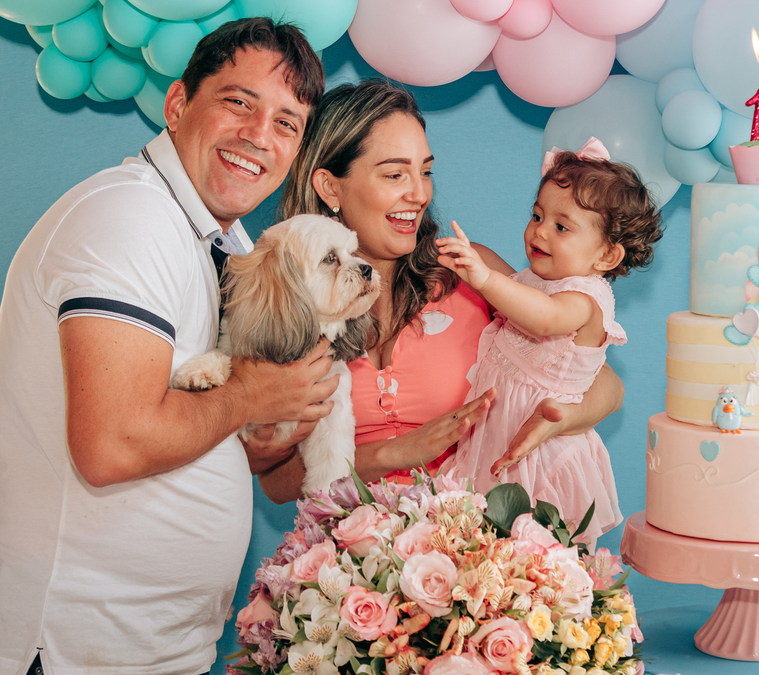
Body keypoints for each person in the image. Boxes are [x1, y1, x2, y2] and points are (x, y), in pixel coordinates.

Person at [0, 19, 337, 675]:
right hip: (69, 652)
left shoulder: (216, 245)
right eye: (239, 102)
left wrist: (283, 413)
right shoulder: (131, 219)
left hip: (152, 649)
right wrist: (256, 391)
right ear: (177, 106)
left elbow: (202, 428)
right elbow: (114, 445)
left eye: (287, 123)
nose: (260, 136)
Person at [261, 80, 625, 503]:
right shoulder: (289, 301)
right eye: (395, 174)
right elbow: (277, 482)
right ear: (330, 187)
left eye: (426, 171)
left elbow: (604, 382)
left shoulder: (471, 273)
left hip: (473, 551)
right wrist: (396, 453)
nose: (418, 194)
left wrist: (559, 420)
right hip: (346, 557)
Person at [438, 139, 663, 538]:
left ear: (606, 257)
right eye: (537, 215)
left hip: (544, 449)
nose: (540, 231)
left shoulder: (585, 299)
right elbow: (511, 283)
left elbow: (544, 319)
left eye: (561, 227)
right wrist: (467, 252)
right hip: (496, 434)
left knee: (541, 549)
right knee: (486, 541)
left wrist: (484, 278)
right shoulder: (537, 282)